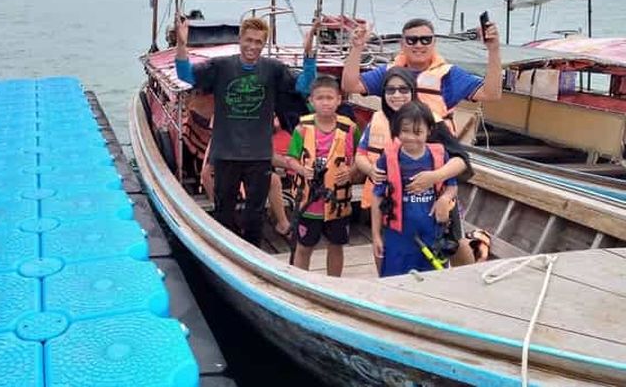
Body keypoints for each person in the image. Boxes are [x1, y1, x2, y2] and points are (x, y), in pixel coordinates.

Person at [175, 15, 316, 246]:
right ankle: (226, 251)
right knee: (224, 212)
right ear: (240, 39)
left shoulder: (273, 69)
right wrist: (182, 45)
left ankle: (253, 251)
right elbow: (185, 75)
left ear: (264, 44)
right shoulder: (220, 66)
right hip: (226, 153)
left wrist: (309, 53)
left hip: (259, 156)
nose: (252, 46)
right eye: (248, 40)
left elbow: (304, 85)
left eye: (258, 42)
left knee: (255, 215)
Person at [354, 68, 473, 270]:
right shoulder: (379, 119)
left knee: (454, 245)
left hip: (434, 207)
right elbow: (361, 154)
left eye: (403, 89)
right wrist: (370, 170)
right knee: (389, 256)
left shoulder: (431, 121)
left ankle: (464, 284)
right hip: (393, 210)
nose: (397, 95)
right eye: (390, 90)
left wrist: (435, 178)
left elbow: (462, 159)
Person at [341, 17, 502, 134]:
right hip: (394, 150)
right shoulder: (389, 71)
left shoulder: (449, 74)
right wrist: (357, 48)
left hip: (433, 152)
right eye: (412, 40)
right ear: (402, 44)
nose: (419, 45)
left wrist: (493, 50)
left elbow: (491, 94)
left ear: (434, 43)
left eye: (425, 40)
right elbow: (350, 85)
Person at [371, 101, 461, 277]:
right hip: (398, 236)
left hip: (432, 233)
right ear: (397, 130)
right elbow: (377, 197)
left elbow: (452, 187)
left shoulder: (440, 155)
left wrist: (444, 200)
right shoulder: (388, 158)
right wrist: (376, 235)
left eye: (418, 132)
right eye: (405, 131)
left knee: (432, 279)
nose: (411, 137)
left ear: (429, 131)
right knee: (395, 280)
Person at [280, 75, 359, 277]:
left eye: (330, 98)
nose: (325, 102)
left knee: (336, 245)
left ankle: (334, 283)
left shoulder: (350, 129)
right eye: (320, 98)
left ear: (339, 100)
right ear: (311, 101)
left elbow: (362, 156)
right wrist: (301, 170)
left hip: (337, 201)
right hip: (309, 201)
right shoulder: (302, 129)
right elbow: (290, 158)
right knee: (304, 246)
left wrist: (350, 172)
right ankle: (301, 281)